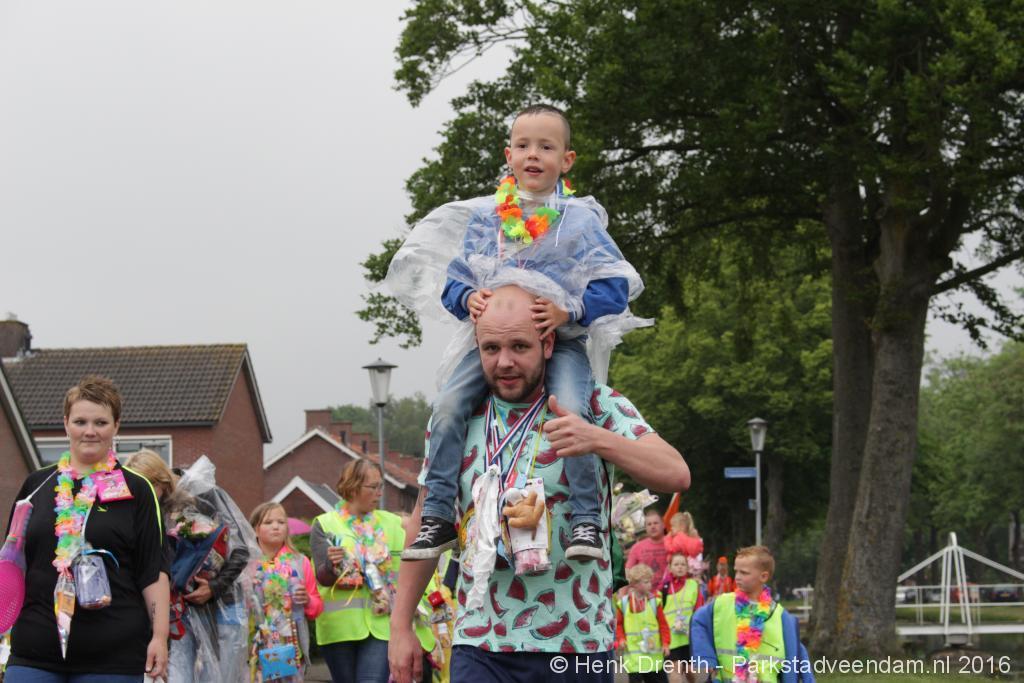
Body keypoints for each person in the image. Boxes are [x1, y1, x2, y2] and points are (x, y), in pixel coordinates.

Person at [386, 104, 648, 563]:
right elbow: (455, 282)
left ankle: (586, 519)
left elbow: (615, 286)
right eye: (523, 145)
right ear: (508, 155)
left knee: (571, 409)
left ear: (566, 160)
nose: (533, 155)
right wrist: (468, 298)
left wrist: (569, 310)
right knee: (447, 405)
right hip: (495, 347)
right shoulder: (488, 219)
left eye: (546, 147)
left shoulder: (578, 220)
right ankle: (438, 515)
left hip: (560, 343)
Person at [388, 285, 690, 683]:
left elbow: (676, 473)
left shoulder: (594, 405)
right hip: (480, 642)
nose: (505, 362)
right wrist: (400, 625)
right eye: (491, 348)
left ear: (547, 344)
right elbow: (422, 520)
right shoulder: (454, 418)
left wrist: (598, 440)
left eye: (519, 346)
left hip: (576, 643)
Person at [4, 375, 169, 681]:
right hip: (35, 649)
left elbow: (153, 570)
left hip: (112, 655)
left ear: (116, 426)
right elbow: (12, 564)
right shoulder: (36, 485)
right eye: (80, 422)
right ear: (66, 424)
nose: (90, 431)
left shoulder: (137, 489)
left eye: (101, 422)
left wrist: (159, 637)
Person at [161, 455, 257, 683]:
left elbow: (241, 547)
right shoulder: (153, 505)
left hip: (224, 603)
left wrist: (214, 586)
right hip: (180, 607)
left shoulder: (207, 493)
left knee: (221, 676)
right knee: (179, 672)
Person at [309, 459, 405, 683]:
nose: (380, 492)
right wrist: (331, 566)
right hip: (340, 628)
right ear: (352, 487)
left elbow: (406, 570)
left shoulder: (392, 523)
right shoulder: (324, 524)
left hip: (382, 624)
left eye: (381, 486)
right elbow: (322, 578)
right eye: (373, 487)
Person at [690, 546, 814, 683]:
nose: (737, 577)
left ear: (763, 576)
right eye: (736, 571)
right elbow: (698, 621)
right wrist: (706, 660)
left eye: (744, 573)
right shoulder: (721, 604)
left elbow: (797, 651)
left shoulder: (780, 616)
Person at [248, 502, 324, 682]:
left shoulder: (300, 562)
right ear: (255, 530)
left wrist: (307, 600)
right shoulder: (246, 563)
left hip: (289, 644)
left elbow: (316, 608)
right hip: (254, 645)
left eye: (281, 522)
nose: (276, 526)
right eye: (268, 522)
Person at [615, 563, 670, 683]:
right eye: (646, 582)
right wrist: (621, 639)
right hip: (634, 658)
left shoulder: (654, 602)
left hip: (653, 657)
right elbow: (618, 625)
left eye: (650, 581)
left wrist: (666, 643)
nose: (650, 584)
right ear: (634, 584)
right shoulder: (624, 604)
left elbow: (663, 625)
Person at [660, 554, 704, 683]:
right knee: (675, 669)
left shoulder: (693, 585)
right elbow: (658, 613)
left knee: (689, 671)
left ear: (687, 567)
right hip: (671, 638)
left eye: (683, 564)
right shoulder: (664, 588)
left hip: (688, 637)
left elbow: (699, 611)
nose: (680, 567)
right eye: (676, 564)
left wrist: (698, 631)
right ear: (670, 567)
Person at [627, 510, 670, 584]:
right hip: (647, 590)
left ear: (663, 525)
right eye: (649, 524)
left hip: (672, 589)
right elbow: (628, 572)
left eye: (655, 523)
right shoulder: (637, 548)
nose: (652, 526)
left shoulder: (674, 543)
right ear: (645, 528)